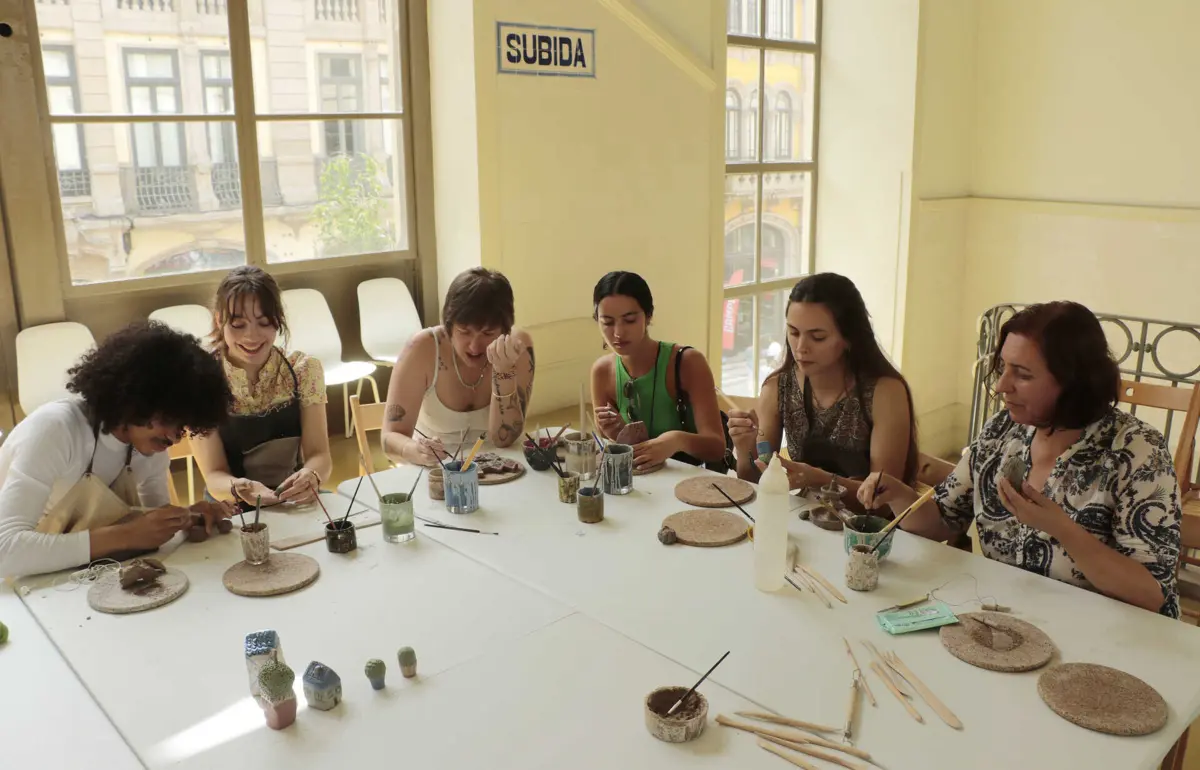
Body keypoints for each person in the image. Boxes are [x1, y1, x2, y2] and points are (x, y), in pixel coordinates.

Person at [859, 302, 1181, 617]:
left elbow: (1150, 593)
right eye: (1002, 369)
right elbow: (942, 518)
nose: (1001, 386)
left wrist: (1063, 530)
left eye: (1022, 375)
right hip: (1009, 625)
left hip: (1106, 640)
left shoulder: (1136, 451)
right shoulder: (1003, 431)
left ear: (1074, 383)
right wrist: (898, 494)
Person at [0, 321, 233, 578]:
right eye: (169, 420)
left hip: (80, 580)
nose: (173, 438)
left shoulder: (149, 448)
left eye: (183, 427)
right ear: (137, 397)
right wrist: (126, 535)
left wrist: (187, 519)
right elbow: (6, 552)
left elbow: (155, 521)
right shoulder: (56, 429)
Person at [727, 273, 917, 501]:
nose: (800, 348)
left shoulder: (884, 393)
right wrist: (745, 449)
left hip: (865, 532)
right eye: (794, 333)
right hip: (804, 521)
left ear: (849, 338)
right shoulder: (778, 387)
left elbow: (883, 500)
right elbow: (757, 481)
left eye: (817, 337)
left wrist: (820, 480)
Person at [192, 266, 332, 507]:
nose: (252, 336)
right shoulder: (199, 380)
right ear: (219, 320)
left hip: (293, 498)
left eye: (264, 322)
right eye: (238, 325)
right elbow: (214, 475)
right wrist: (242, 488)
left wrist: (313, 475)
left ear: (278, 320)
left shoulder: (303, 370)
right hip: (231, 503)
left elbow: (319, 455)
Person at [382, 268, 534, 467]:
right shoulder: (422, 348)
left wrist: (504, 371)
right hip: (435, 470)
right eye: (464, 332)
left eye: (488, 334)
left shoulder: (517, 348)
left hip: (500, 467)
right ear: (448, 326)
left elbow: (504, 440)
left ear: (505, 330)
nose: (474, 346)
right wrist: (415, 450)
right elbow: (389, 439)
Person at [589, 271, 727, 471]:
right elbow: (613, 445)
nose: (618, 333)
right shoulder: (602, 371)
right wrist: (617, 432)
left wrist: (676, 440)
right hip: (638, 487)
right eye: (608, 322)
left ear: (648, 315)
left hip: (690, 486)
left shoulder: (687, 362)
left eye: (629, 320)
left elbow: (716, 448)